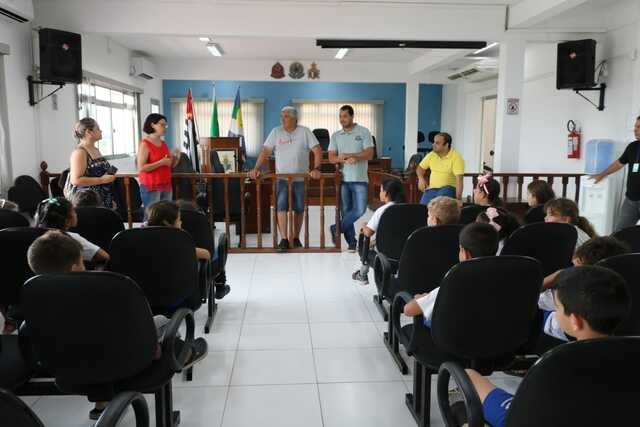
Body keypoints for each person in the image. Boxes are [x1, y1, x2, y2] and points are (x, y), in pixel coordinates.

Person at [465, 266, 630, 427]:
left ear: (575, 321)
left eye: (556, 307)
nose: (555, 312)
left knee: (469, 376)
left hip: (528, 419)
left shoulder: (554, 365)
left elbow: (528, 415)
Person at [249, 106, 322, 252]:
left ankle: (295, 237)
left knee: (299, 208)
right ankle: (283, 239)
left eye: (286, 116)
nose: (282, 119)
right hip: (281, 178)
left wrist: (316, 168)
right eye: (281, 116)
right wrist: (256, 168)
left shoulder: (305, 131)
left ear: (295, 118)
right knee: (281, 206)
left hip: (300, 178)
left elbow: (317, 150)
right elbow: (265, 151)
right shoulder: (276, 132)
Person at [403, 222, 499, 323]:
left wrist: (423, 298)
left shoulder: (456, 282)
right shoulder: (503, 278)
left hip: (453, 332)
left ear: (464, 253)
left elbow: (408, 310)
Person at [328, 105, 375, 252]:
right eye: (340, 116)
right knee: (346, 211)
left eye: (345, 116)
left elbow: (369, 154)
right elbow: (331, 157)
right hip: (343, 179)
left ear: (352, 116)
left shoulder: (364, 132)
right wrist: (341, 158)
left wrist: (354, 156)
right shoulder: (336, 135)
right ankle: (352, 242)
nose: (342, 119)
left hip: (360, 178)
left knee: (360, 210)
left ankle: (336, 228)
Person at [591, 116, 640, 231]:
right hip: (631, 200)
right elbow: (619, 163)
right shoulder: (632, 147)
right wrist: (602, 174)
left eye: (639, 127)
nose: (635, 129)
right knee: (619, 233)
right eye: (635, 126)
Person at [352, 180, 405, 285]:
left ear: (386, 193)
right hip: (406, 255)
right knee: (372, 243)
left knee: (364, 246)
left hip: (386, 257)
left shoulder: (383, 210)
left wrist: (363, 226)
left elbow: (368, 233)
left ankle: (362, 275)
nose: (379, 193)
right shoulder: (410, 209)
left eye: (381, 190)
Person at [35, 197, 109, 265]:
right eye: (73, 211)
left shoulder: (34, 235)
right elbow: (104, 256)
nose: (76, 214)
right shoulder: (69, 239)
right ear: (67, 221)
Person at [68, 118, 116, 209]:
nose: (101, 131)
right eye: (97, 128)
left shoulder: (96, 149)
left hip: (103, 198)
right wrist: (102, 180)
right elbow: (75, 180)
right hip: (88, 201)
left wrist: (110, 199)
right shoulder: (80, 152)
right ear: (88, 132)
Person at [137, 114, 180, 209]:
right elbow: (141, 167)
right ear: (153, 125)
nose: (165, 127)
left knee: (167, 214)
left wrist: (175, 157)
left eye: (166, 125)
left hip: (166, 185)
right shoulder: (145, 144)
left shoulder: (163, 143)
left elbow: (169, 165)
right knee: (153, 215)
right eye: (162, 125)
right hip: (151, 187)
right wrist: (161, 162)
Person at [416, 132, 464, 206]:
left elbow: (459, 180)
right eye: (434, 142)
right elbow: (420, 168)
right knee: (422, 208)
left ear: (446, 145)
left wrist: (458, 199)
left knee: (438, 206)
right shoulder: (432, 154)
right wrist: (421, 178)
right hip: (432, 189)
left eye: (437, 143)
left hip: (448, 189)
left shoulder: (456, 157)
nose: (433, 145)